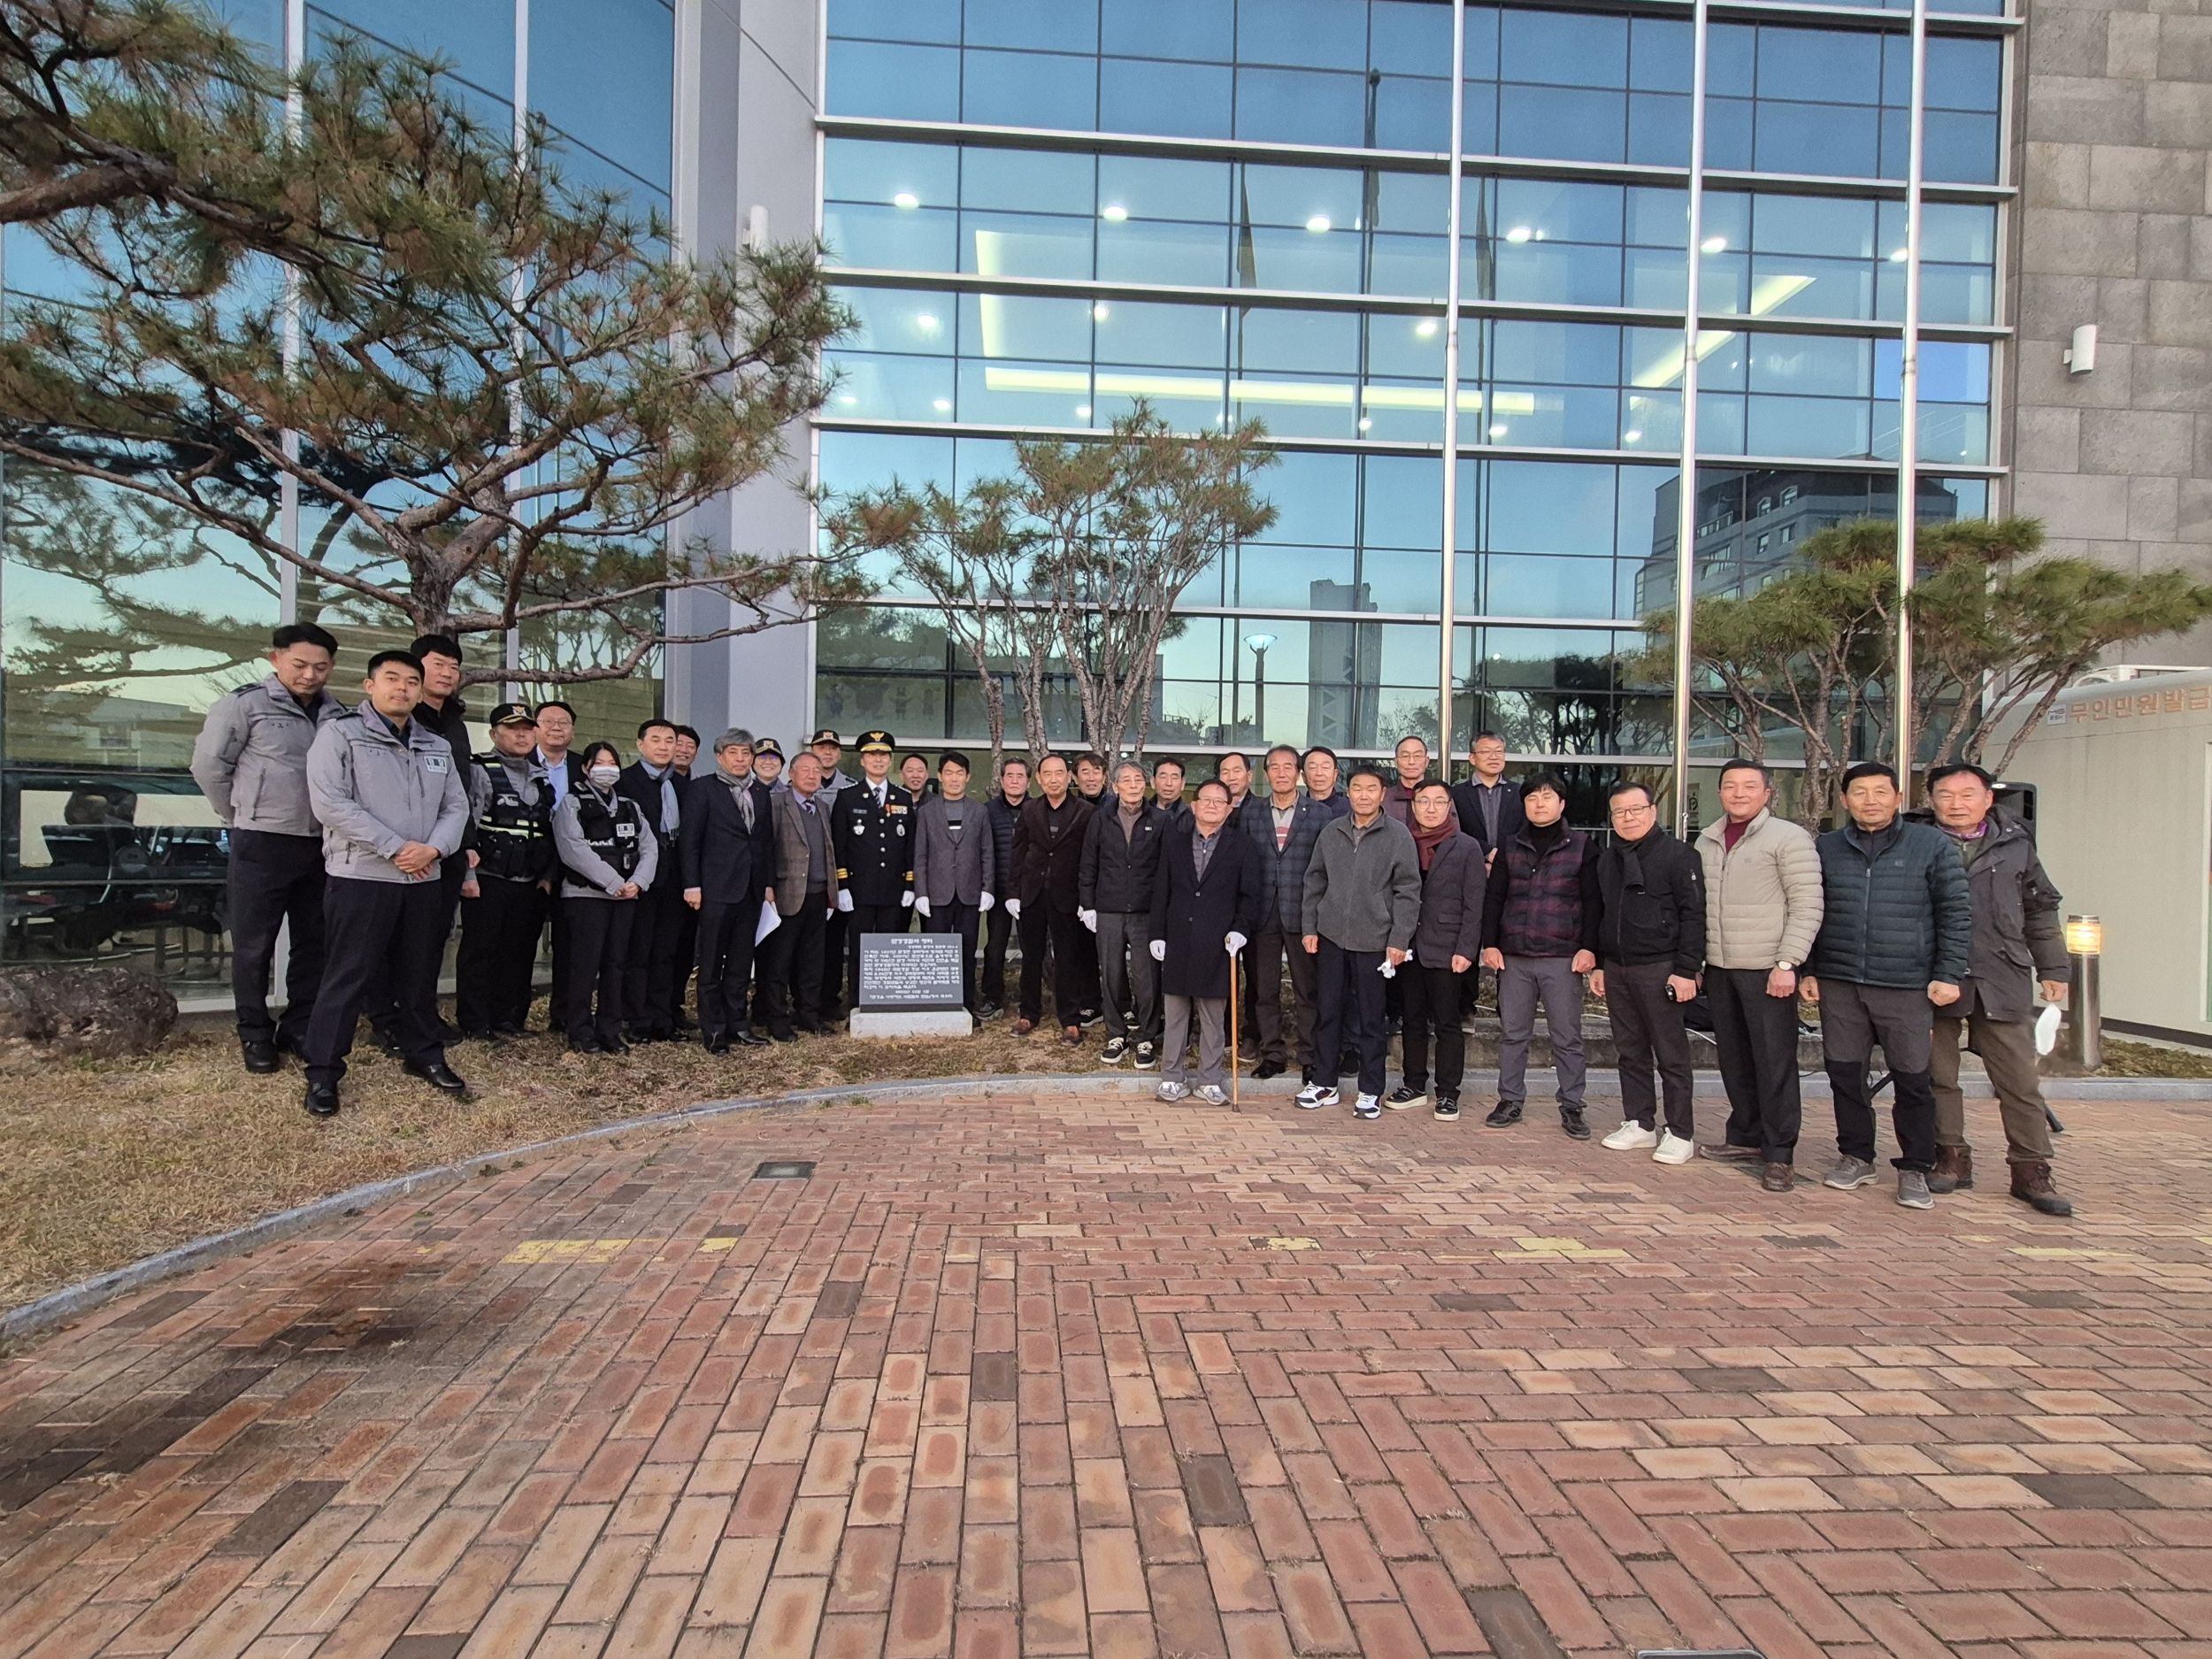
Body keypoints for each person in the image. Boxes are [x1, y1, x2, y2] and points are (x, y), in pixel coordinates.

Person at [298, 649, 471, 1118]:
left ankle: (424, 1053)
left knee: (419, 973)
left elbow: (457, 806)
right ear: (369, 686)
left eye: (412, 682)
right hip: (362, 875)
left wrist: (433, 849)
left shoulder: (435, 745)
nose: (403, 688)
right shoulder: (340, 734)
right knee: (347, 975)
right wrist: (396, 847)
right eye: (392, 679)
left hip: (423, 877)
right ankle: (323, 1071)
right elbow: (331, 803)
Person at [1802, 762, 1972, 1210]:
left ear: (1898, 798)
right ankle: (1856, 1156)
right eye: (1860, 792)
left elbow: (1956, 913)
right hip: (1840, 980)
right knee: (1845, 1075)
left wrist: (1948, 973)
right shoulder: (1826, 847)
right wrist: (1810, 969)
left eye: (1881, 792)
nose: (1870, 800)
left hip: (1906, 984)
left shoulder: (1930, 844)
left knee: (1913, 1080)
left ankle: (1915, 1166)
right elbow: (1811, 910)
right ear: (1844, 800)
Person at [189, 621, 343, 1074]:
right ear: (275, 659)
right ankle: (255, 1032)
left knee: (314, 942)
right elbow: (208, 767)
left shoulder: (338, 714)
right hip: (262, 842)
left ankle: (299, 1026)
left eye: (320, 667)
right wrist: (239, 815)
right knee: (253, 945)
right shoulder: (244, 705)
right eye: (300, 664)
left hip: (321, 843)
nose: (310, 675)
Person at [1924, 764, 2074, 1216]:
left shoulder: (2016, 843)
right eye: (1946, 795)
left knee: (2018, 1081)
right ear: (1931, 800)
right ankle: (1950, 1157)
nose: (1956, 804)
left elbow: (2040, 909)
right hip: (1934, 976)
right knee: (1937, 1077)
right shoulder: (1916, 840)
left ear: (1988, 798)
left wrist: (2054, 967)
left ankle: (2031, 1169)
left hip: (2001, 973)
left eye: (1967, 794)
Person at [1694, 760, 1824, 1191]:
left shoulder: (1788, 837)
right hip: (1720, 967)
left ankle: (1780, 1152)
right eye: (1730, 786)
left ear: (1768, 793)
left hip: (1768, 969)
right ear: (1720, 792)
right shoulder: (1707, 840)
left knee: (1774, 1062)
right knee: (1734, 1058)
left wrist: (1788, 963)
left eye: (1749, 786)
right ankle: (1745, 1137)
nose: (1739, 793)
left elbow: (1807, 904)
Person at [1479, 772, 1601, 1138]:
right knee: (1513, 1034)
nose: (1539, 804)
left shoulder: (1582, 846)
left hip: (1562, 957)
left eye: (1547, 797)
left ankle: (1572, 1104)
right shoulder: (1510, 846)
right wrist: (1490, 943)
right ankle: (1510, 1099)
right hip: (1515, 956)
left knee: (1567, 1036)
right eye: (1532, 798)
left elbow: (1593, 901)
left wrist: (1589, 947)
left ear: (1561, 804)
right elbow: (1495, 897)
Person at [1590, 781, 1704, 1163]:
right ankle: (1639, 1122)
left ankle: (1680, 1131)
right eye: (1619, 812)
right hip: (1618, 968)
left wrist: (1686, 969)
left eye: (1636, 809)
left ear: (1653, 811)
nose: (1628, 818)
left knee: (1671, 1053)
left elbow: (1694, 915)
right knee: (1630, 1050)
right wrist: (1601, 964)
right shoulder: (1608, 859)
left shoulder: (1679, 855)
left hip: (1662, 967)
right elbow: (1601, 913)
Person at [1298, 764, 1421, 1118]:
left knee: (1371, 1019)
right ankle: (1324, 1082)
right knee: (1328, 1012)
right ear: (1347, 792)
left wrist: (1399, 939)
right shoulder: (1331, 831)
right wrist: (1310, 928)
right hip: (1332, 936)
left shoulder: (1398, 835)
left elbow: (1408, 890)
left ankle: (1370, 1089)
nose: (1363, 795)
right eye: (1357, 788)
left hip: (1376, 940)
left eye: (1371, 789)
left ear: (1382, 794)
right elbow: (1314, 881)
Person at [1150, 780, 1263, 1104]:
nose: (1212, 805)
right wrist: (1157, 933)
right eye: (1206, 800)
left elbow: (1250, 896)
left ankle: (1209, 1080)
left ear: (1229, 809)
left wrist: (1241, 929)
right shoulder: (1174, 842)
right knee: (1175, 1014)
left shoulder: (1242, 846)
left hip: (1218, 942)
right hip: (1178, 938)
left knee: (1214, 1017)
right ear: (1194, 805)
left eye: (1219, 801)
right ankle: (1172, 1077)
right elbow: (1161, 891)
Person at [456, 703, 556, 1040]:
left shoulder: (540, 776)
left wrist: (546, 877)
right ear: (494, 734)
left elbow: (548, 830)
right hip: (488, 878)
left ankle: (509, 1019)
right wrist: (468, 877)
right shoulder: (480, 770)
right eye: (513, 729)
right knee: (480, 952)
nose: (522, 735)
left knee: (519, 953)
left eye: (527, 729)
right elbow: (467, 825)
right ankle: (475, 1022)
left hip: (528, 882)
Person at [553, 741, 657, 1055]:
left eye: (612, 763)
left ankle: (610, 1029)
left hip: (626, 897)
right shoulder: (572, 803)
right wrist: (613, 882)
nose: (607, 769)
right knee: (584, 965)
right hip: (586, 896)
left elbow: (649, 847)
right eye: (600, 763)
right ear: (586, 768)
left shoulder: (629, 806)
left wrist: (638, 882)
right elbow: (573, 849)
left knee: (616, 964)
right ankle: (580, 1030)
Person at [1392, 782, 1484, 1121]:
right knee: (1412, 1020)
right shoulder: (1402, 841)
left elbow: (1474, 904)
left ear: (1449, 807)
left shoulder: (1467, 846)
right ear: (1414, 806)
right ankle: (1413, 1085)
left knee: (1448, 1023)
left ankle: (1448, 1093)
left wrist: (1467, 949)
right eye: (1424, 801)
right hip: (1408, 945)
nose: (1430, 808)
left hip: (1448, 948)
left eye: (1438, 802)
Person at [681, 728, 776, 1053]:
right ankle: (713, 1030)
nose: (740, 759)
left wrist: (767, 884)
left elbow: (765, 841)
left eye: (745, 753)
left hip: (751, 889)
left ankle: (738, 1024)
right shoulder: (702, 789)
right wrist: (692, 884)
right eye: (733, 753)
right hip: (715, 889)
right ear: (720, 756)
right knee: (711, 963)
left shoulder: (759, 792)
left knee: (740, 962)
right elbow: (690, 841)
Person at [1245, 743, 1334, 1085]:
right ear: (1266, 773)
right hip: (1262, 914)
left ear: (1298, 773)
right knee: (1264, 989)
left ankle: (1310, 1056)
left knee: (1307, 990)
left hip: (1303, 914)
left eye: (1288, 767)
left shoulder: (1320, 814)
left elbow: (1326, 869)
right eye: (1274, 767)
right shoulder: (1251, 812)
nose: (1281, 773)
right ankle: (1272, 1054)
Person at [1079, 761, 1170, 1068]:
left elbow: (1167, 870)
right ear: (1115, 786)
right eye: (1126, 780)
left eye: (1138, 779)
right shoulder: (1100, 818)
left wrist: (1164, 913)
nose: (1133, 785)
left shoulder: (1160, 820)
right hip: (1108, 909)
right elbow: (1088, 864)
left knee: (1147, 978)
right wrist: (1087, 904)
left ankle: (1147, 1036)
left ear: (1146, 784)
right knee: (1111, 975)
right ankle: (1116, 1033)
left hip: (1146, 912)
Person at [1008, 754, 1094, 1041]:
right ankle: (1028, 1013)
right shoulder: (1029, 809)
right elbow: (1018, 852)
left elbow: (1089, 857)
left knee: (1068, 957)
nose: (1054, 779)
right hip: (1032, 893)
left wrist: (1087, 899)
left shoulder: (1085, 811)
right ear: (1039, 778)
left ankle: (1070, 1019)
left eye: (1060, 773)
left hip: (1068, 896)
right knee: (1031, 956)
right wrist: (1013, 892)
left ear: (1069, 777)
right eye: (1048, 774)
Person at [618, 718, 690, 1042]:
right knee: (639, 951)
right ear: (640, 744)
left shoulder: (683, 785)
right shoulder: (625, 782)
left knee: (666, 952)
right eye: (656, 740)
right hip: (639, 879)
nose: (663, 746)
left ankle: (663, 1018)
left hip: (674, 881)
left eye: (669, 740)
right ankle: (637, 1019)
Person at [832, 729, 916, 1009]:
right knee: (860, 948)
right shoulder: (848, 797)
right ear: (862, 761)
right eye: (872, 755)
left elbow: (910, 845)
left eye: (883, 755)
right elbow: (839, 845)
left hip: (893, 890)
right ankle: (859, 1004)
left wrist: (910, 884)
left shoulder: (903, 798)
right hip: (859, 890)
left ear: (891, 761)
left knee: (890, 947)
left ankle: (887, 1001)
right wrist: (842, 886)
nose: (878, 760)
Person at [911, 750, 996, 1018]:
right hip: (936, 894)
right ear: (940, 776)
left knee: (967, 950)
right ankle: (935, 1003)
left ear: (968, 777)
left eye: (960, 773)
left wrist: (987, 888)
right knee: (935, 950)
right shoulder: (926, 812)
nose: (954, 778)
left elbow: (987, 852)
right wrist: (921, 892)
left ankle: (965, 1004)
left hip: (969, 893)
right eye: (949, 773)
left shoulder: (979, 811)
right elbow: (920, 854)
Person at [762, 752, 835, 1040]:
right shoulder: (776, 804)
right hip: (786, 894)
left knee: (812, 961)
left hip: (819, 895)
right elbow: (766, 848)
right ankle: (776, 1018)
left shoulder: (822, 807)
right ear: (791, 774)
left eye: (817, 770)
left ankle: (808, 1014)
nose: (812, 775)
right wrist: (768, 886)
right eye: (805, 770)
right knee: (779, 962)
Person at [534, 699, 587, 1029]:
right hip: (527, 866)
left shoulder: (582, 767)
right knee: (517, 943)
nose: (556, 727)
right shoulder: (520, 761)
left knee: (570, 947)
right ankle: (507, 1016)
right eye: (548, 721)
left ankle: (564, 1015)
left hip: (574, 869)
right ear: (535, 728)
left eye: (563, 722)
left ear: (573, 730)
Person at [807, 728, 856, 1015]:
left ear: (839, 754)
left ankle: (829, 999)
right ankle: (804, 1001)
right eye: (821, 747)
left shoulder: (851, 789)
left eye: (832, 748)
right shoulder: (797, 785)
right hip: (806, 876)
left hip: (838, 876)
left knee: (835, 942)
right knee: (805, 943)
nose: (827, 752)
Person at [979, 755, 1028, 1018]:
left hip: (1028, 892)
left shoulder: (1036, 808)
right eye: (1010, 775)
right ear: (1001, 780)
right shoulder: (987, 811)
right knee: (995, 946)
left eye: (1020, 776)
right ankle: (992, 996)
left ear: (1028, 780)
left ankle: (1029, 999)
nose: (1015, 781)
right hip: (997, 890)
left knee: (1032, 947)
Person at [1450, 732, 1524, 866]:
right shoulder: (1456, 794)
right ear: (1472, 758)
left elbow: (1525, 831)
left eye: (1499, 752)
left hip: (1512, 866)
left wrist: (1501, 859)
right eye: (1486, 752)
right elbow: (1454, 831)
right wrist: (1487, 852)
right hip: (1469, 865)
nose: (1493, 757)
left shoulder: (1519, 792)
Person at [1383, 734, 1430, 826]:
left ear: (1427, 761)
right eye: (1405, 756)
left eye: (1417, 756)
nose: (1411, 762)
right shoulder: (1383, 798)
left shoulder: (1441, 797)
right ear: (1396, 762)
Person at [1215, 751, 1254, 831]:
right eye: (1225, 773)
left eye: (1237, 771)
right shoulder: (1212, 808)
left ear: (1249, 776)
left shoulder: (1263, 808)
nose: (1231, 778)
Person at [1302, 746, 1347, 813]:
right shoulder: (1296, 809)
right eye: (1312, 767)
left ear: (1335, 775)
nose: (1319, 773)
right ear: (1304, 776)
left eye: (1325, 767)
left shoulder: (1351, 809)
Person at [1151, 757, 1190, 826]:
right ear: (1153, 782)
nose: (1169, 783)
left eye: (1174, 778)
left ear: (1183, 783)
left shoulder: (1192, 816)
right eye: (1163, 777)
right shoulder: (1140, 813)